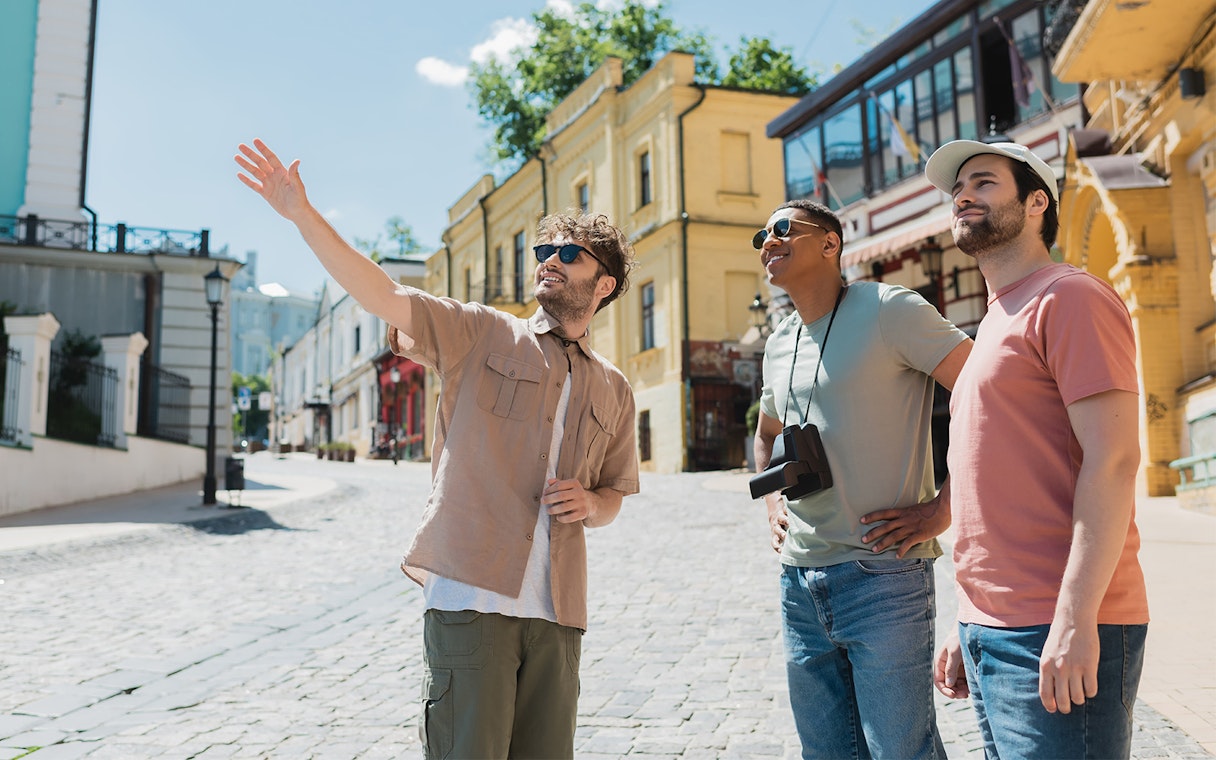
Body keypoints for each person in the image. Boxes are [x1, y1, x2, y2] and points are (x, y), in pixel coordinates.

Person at [235, 139, 640, 759]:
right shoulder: (482, 332)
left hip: (559, 615)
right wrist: (303, 216)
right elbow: (386, 297)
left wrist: (589, 502)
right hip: (471, 599)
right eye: (542, 251)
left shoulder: (613, 386)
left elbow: (614, 496)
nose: (547, 262)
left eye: (567, 253)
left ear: (604, 282)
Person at [924, 140, 1149, 759]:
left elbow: (1114, 460)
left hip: (1058, 623)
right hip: (992, 630)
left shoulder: (1069, 297)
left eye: (985, 182)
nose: (963, 195)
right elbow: (989, 483)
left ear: (1036, 203)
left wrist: (1074, 618)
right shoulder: (994, 321)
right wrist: (967, 621)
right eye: (958, 189)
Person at [751, 198, 971, 759]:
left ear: (830, 243)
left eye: (781, 230)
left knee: (901, 751)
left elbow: (984, 390)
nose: (768, 243)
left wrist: (945, 506)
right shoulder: (779, 341)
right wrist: (772, 498)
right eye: (761, 237)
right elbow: (765, 436)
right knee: (826, 752)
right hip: (798, 579)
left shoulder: (889, 308)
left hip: (884, 574)